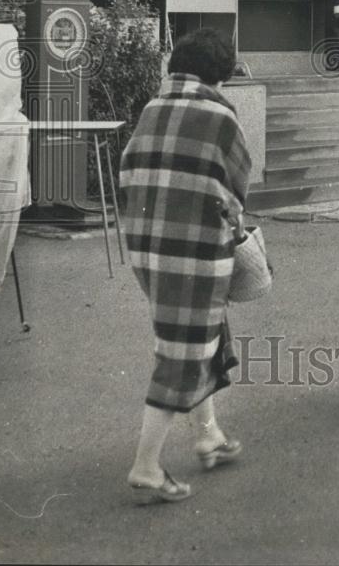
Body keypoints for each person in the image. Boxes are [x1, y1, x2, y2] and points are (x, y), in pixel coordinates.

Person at [121, 28, 251, 503]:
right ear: (219, 75)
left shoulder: (152, 109)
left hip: (149, 248)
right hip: (195, 250)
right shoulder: (220, 113)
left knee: (202, 336)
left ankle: (209, 434)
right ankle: (146, 466)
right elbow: (237, 185)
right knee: (182, 354)